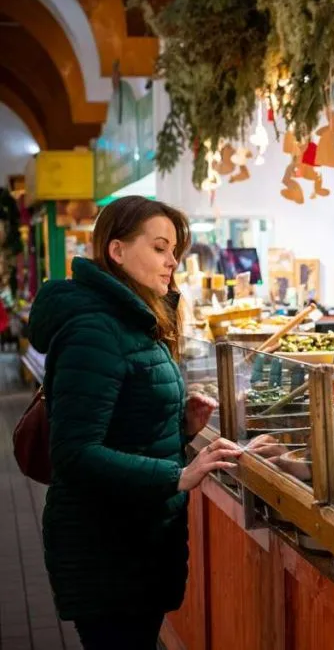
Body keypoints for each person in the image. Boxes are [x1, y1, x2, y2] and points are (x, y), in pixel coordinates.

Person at [27, 196, 242, 649]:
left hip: (134, 543)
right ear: (117, 251)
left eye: (175, 250)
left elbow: (120, 421)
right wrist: (179, 475)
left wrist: (179, 425)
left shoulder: (131, 319)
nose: (172, 261)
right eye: (160, 247)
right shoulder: (95, 328)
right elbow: (75, 454)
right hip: (106, 549)